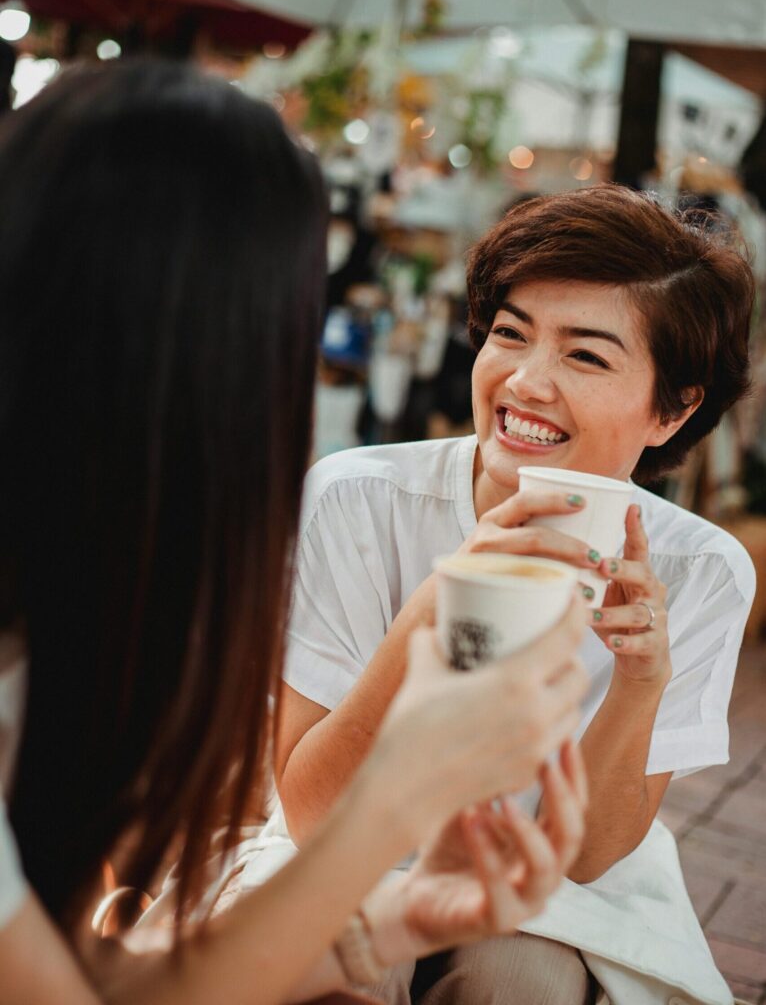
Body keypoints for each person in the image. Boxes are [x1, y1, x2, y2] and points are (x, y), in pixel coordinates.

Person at [0, 59, 591, 1005]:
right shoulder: (353, 497)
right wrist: (399, 786)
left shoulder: (76, 610)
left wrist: (417, 912)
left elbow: (87, 974)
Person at [268, 185, 756, 1005]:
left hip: (546, 889)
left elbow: (590, 856)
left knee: (521, 977)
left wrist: (639, 682)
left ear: (672, 410)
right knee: (345, 955)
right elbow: (312, 812)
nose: (524, 382)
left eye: (586, 355)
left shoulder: (701, 571)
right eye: (509, 334)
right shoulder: (360, 500)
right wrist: (429, 618)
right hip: (345, 850)